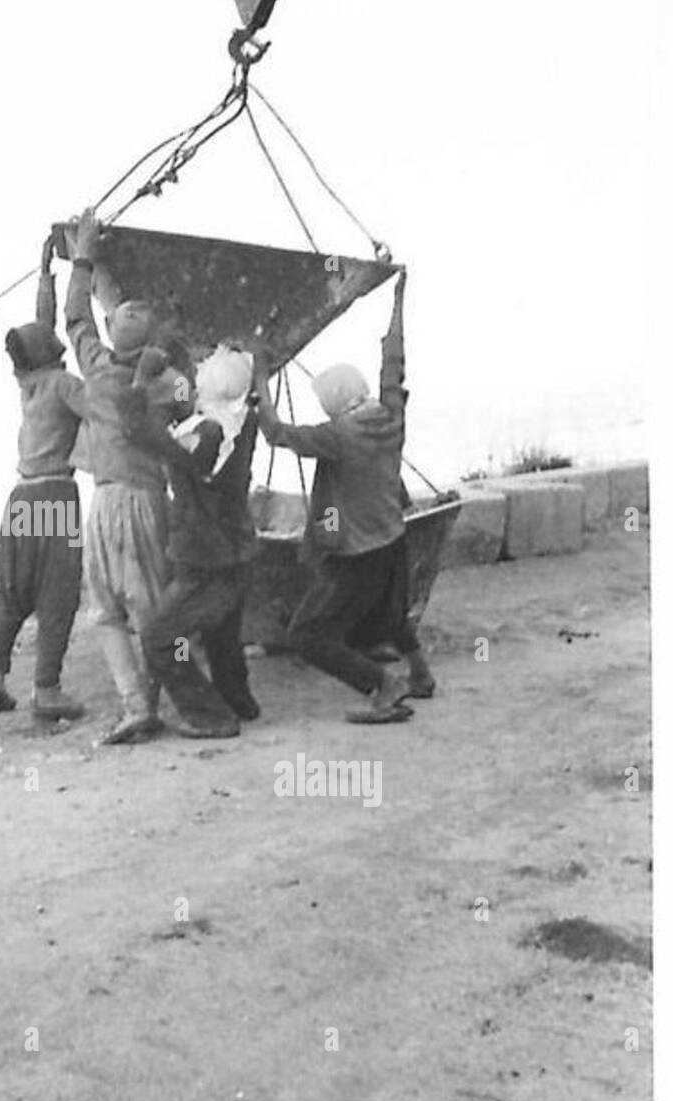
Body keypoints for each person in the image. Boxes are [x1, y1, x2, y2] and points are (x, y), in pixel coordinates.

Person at [252, 273, 436, 722]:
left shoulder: (339, 435)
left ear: (334, 402)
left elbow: (275, 433)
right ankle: (421, 675)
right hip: (393, 539)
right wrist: (396, 305)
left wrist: (259, 379)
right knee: (391, 617)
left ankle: (383, 685)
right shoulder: (391, 415)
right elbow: (394, 366)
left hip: (356, 553)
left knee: (307, 636)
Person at [64, 207, 172, 744]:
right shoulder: (170, 380)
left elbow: (77, 318)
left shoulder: (97, 368)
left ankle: (136, 705)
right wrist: (101, 264)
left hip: (105, 501)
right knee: (151, 605)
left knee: (106, 611)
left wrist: (83, 255)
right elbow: (110, 319)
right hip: (150, 499)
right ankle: (157, 696)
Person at [124, 346, 261, 738]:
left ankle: (210, 716)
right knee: (222, 634)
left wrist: (141, 381)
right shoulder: (243, 420)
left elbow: (138, 432)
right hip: (238, 549)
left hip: (203, 556)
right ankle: (238, 700)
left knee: (161, 636)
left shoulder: (206, 435)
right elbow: (198, 417)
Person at [0, 236, 87, 721]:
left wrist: (45, 273)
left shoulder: (28, 383)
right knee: (57, 595)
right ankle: (47, 689)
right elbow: (103, 409)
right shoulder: (64, 385)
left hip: (20, 498)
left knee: (14, 593)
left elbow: (38, 328)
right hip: (58, 495)